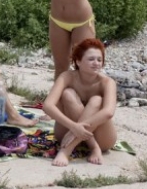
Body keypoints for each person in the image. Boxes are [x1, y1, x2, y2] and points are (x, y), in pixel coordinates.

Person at [42, 38, 117, 166]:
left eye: (99, 60)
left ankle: (66, 151)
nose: (96, 63)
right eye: (91, 59)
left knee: (97, 100)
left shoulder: (107, 82)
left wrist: (76, 129)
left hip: (102, 139)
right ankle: (93, 147)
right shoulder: (67, 77)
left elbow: (108, 113)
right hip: (66, 133)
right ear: (78, 61)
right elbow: (47, 105)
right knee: (67, 94)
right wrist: (73, 126)